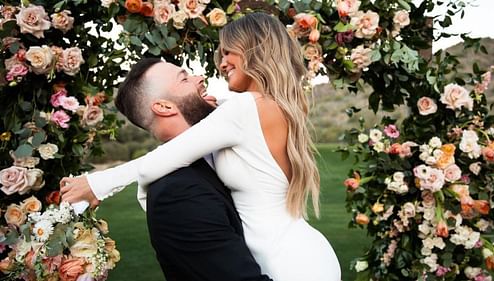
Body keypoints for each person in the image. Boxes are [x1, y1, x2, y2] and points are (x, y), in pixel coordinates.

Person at [61, 13, 341, 281]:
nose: (222, 63)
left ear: (254, 50)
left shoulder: (243, 109)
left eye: (229, 52)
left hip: (289, 262)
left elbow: (160, 161)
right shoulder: (265, 107)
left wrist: (97, 184)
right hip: (302, 253)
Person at [103, 57, 273, 281]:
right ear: (164, 107)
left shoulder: (219, 158)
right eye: (184, 79)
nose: (200, 78)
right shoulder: (178, 193)